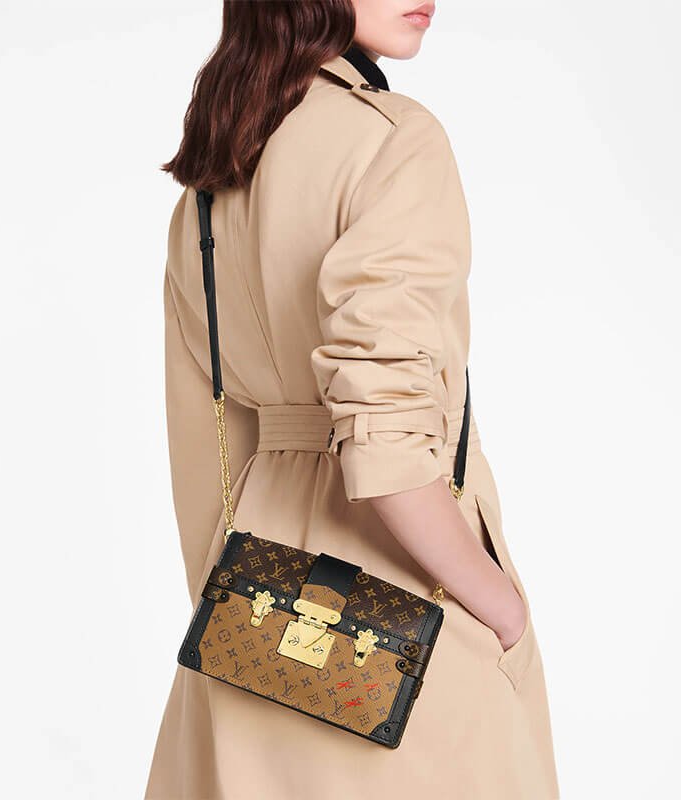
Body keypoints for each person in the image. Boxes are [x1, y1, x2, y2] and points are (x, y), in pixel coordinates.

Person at [145, 1, 560, 798]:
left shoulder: (214, 178)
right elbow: (387, 446)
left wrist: (221, 600)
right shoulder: (393, 140)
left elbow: (204, 435)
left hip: (253, 625)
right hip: (406, 633)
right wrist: (503, 613)